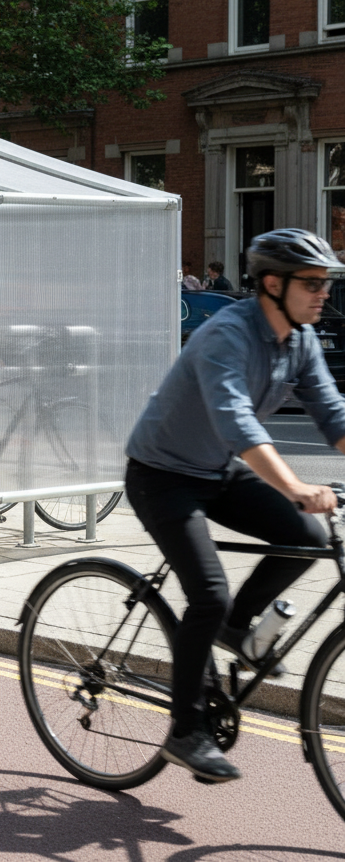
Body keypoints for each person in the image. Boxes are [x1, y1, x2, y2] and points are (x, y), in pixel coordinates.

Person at [125, 228, 345, 783]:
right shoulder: (227, 334)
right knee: (208, 592)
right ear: (272, 284)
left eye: (327, 283)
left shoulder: (300, 339)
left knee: (307, 538)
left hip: (217, 470)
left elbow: (333, 415)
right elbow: (237, 421)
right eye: (313, 283)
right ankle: (185, 731)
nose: (325, 293)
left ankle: (236, 628)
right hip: (162, 475)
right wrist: (295, 486)